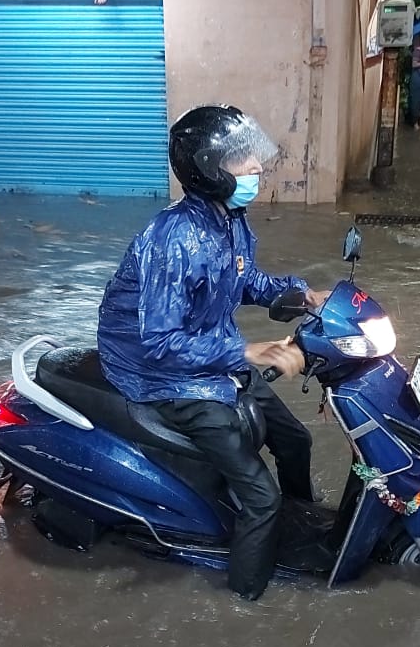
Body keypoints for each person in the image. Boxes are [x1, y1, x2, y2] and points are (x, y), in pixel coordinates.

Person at [97, 104, 330, 601]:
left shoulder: (230, 221)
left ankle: (300, 530)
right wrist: (246, 351)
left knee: (296, 441)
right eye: (242, 159)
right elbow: (159, 343)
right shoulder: (174, 239)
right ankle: (245, 601)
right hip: (159, 375)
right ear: (208, 169)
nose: (256, 168)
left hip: (211, 358)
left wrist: (303, 295)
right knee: (261, 499)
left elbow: (245, 280)